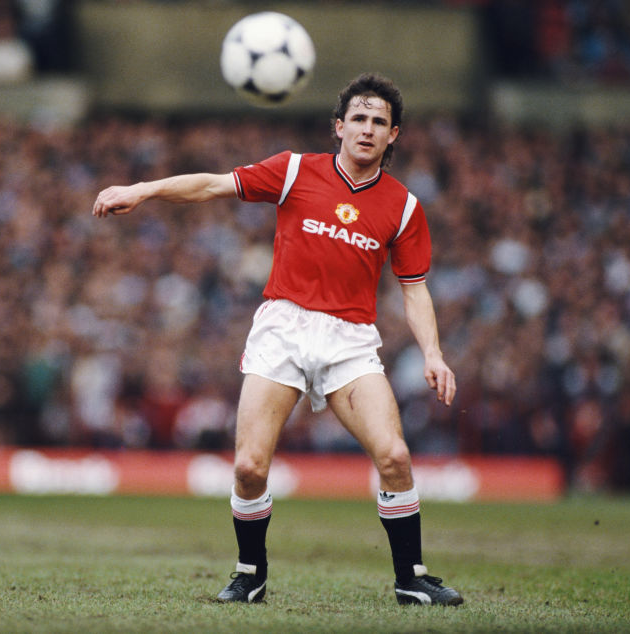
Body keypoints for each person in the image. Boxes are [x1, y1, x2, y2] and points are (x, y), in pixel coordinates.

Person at [92, 72, 463, 607]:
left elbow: (414, 289)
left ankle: (411, 578)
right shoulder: (294, 170)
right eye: (357, 118)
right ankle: (250, 574)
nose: (366, 129)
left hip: (351, 341)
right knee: (248, 466)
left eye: (378, 122)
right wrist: (143, 190)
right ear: (338, 126)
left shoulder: (404, 207)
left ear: (393, 136)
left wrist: (433, 353)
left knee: (395, 456)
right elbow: (214, 184)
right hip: (283, 329)